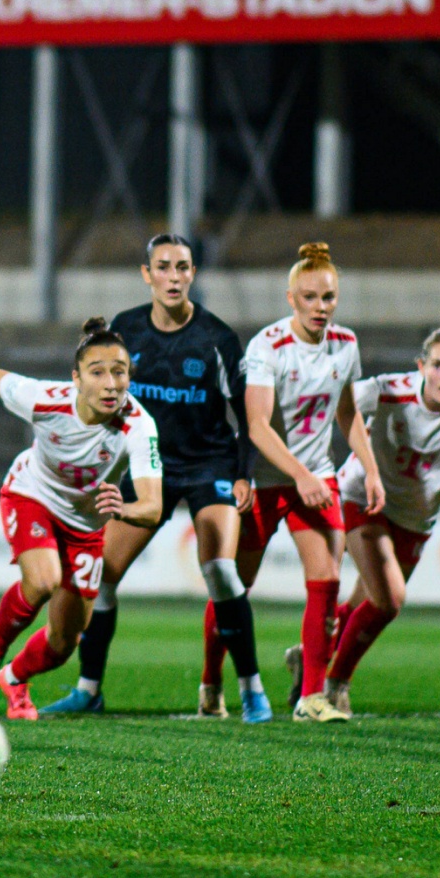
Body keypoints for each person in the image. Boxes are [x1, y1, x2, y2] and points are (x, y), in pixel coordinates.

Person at [41, 234, 272, 723]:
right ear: (146, 274)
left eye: (183, 267)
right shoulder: (125, 329)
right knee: (100, 577)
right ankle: (89, 689)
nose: (173, 276)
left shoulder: (218, 338)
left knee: (221, 571)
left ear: (193, 274)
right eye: (163, 267)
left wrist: (244, 475)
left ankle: (252, 688)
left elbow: (247, 415)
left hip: (209, 464)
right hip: (149, 467)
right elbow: (102, 396)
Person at [0, 318, 163, 721]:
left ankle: (13, 677)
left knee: (65, 641)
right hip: (32, 495)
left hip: (85, 527)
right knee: (42, 580)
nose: (111, 383)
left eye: (120, 372)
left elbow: (152, 507)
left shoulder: (139, 425)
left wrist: (125, 510)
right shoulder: (45, 399)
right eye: (98, 372)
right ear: (76, 379)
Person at [324, 329, 440, 715]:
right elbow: (338, 402)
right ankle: (335, 683)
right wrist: (363, 463)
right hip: (363, 496)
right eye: (437, 365)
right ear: (421, 367)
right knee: (389, 600)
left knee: (366, 603)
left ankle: (309, 656)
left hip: (416, 517)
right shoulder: (388, 390)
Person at [240, 243, 384, 723]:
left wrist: (371, 467)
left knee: (326, 580)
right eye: (310, 297)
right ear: (290, 298)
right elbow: (258, 426)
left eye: (328, 297)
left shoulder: (346, 344)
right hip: (266, 477)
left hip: (317, 476)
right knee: (235, 583)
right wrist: (298, 476)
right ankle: (212, 685)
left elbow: (348, 413)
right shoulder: (266, 347)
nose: (321, 307)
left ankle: (311, 698)